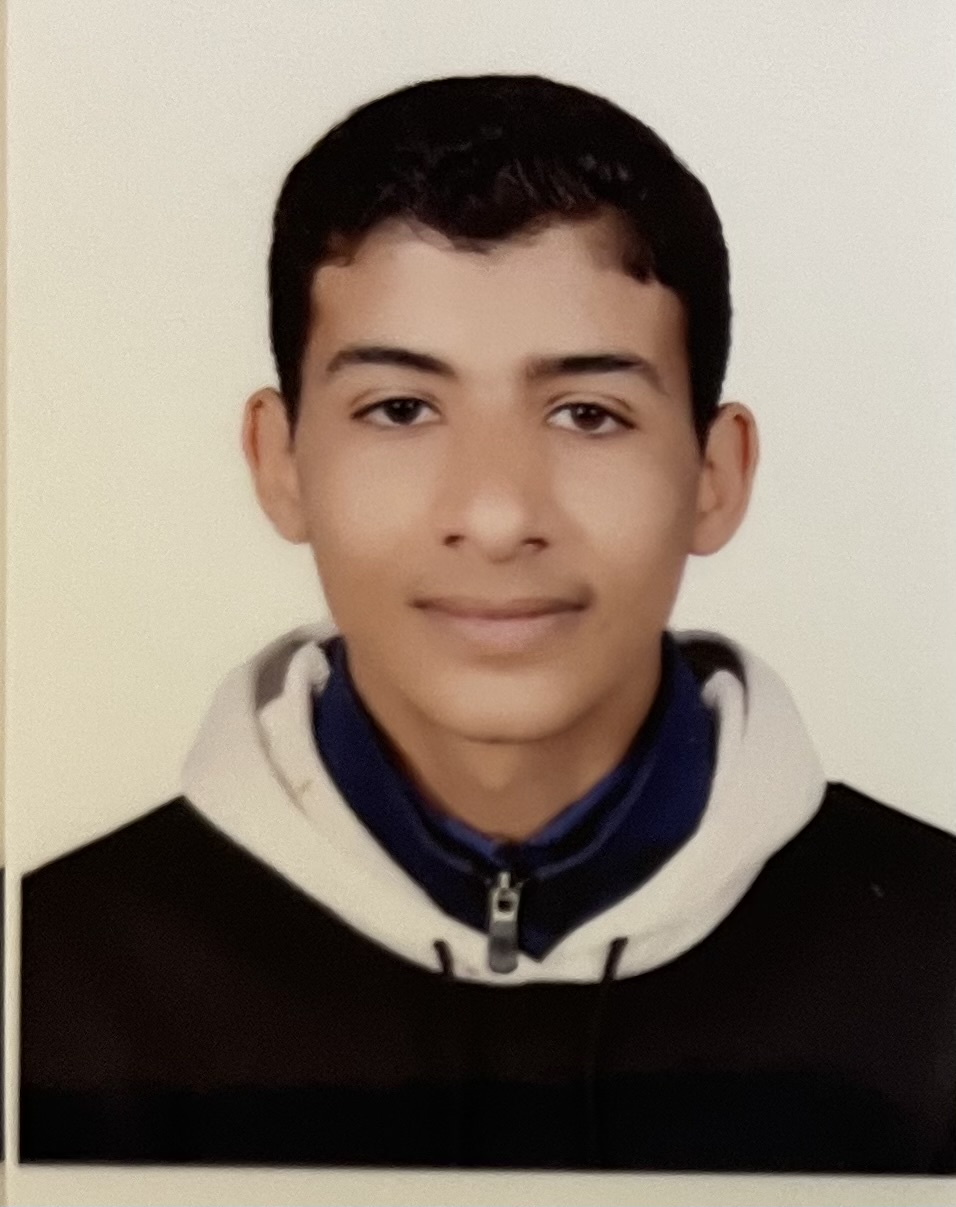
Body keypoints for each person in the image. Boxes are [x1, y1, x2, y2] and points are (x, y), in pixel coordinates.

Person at [18, 73, 956, 1173]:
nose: (500, 515)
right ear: (280, 462)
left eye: (588, 413)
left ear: (715, 473)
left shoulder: (932, 963)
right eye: (400, 408)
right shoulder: (46, 975)